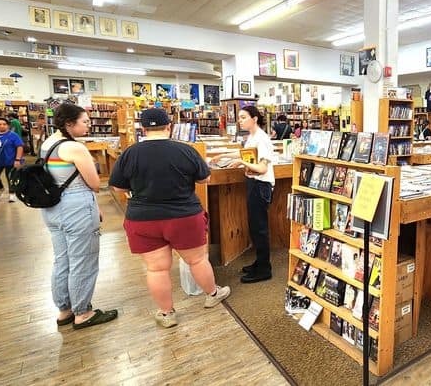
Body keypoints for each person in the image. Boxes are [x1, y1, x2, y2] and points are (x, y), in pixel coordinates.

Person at [110, 108, 229, 328]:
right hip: (184, 215)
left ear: (143, 129)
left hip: (143, 218)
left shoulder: (129, 153)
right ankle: (213, 294)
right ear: (169, 126)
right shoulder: (186, 150)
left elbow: (118, 186)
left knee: (157, 269)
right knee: (197, 260)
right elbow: (204, 179)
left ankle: (167, 313)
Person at [39, 103, 118, 329]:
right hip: (76, 209)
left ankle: (64, 310)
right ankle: (83, 312)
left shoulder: (47, 143)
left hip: (53, 208)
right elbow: (94, 183)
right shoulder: (75, 148)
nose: (88, 124)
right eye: (84, 121)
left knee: (62, 260)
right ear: (69, 124)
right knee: (83, 260)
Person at [212, 106, 275, 283]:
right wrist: (224, 155)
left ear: (254, 118)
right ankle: (260, 262)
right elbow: (245, 154)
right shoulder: (252, 137)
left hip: (260, 185)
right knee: (255, 227)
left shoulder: (262, 139)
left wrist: (239, 162)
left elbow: (262, 168)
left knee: (260, 229)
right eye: (239, 117)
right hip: (254, 183)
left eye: (243, 117)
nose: (240, 120)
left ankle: (264, 269)